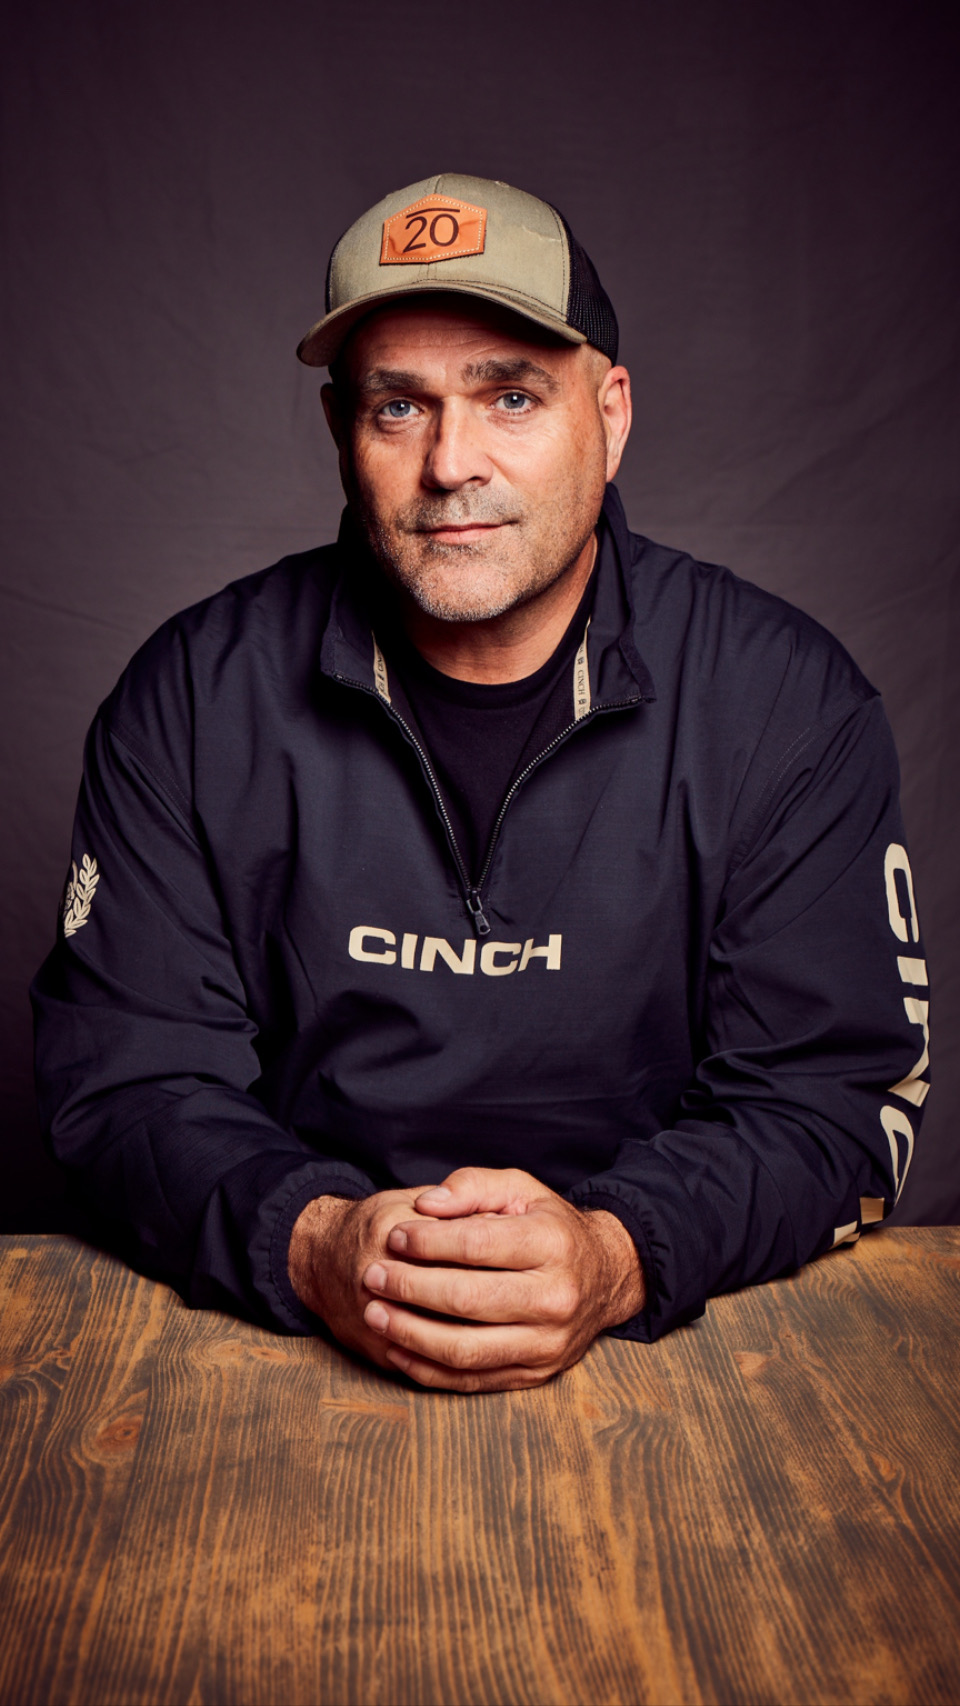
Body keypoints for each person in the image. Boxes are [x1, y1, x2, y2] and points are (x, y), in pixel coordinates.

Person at [32, 173, 929, 1393]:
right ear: (341, 432)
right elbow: (125, 1081)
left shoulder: (787, 702)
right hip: (275, 1348)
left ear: (610, 414)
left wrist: (616, 1252)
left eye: (512, 395)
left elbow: (835, 1096)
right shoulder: (191, 696)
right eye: (399, 406)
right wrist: (316, 1241)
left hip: (688, 1349)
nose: (451, 463)